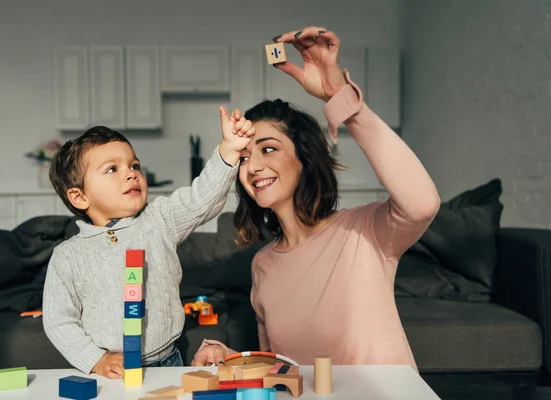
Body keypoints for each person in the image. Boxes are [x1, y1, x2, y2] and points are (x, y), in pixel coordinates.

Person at [191, 26, 440, 371]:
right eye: (245, 157)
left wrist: (341, 98)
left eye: (268, 149)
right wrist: (227, 357)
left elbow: (422, 203)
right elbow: (284, 371)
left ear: (304, 158)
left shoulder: (365, 231)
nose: (253, 167)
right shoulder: (262, 265)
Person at [42, 106, 255, 378]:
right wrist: (95, 360)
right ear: (79, 197)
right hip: (111, 371)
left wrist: (229, 150)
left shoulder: (159, 219)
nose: (131, 173)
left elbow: (202, 197)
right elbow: (59, 320)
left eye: (134, 165)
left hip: (169, 360)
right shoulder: (67, 256)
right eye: (112, 169)